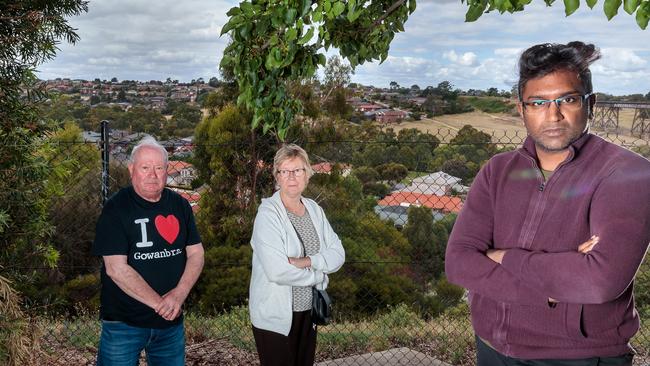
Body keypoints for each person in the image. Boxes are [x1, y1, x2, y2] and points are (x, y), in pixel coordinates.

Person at [445, 41, 650, 366]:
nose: (553, 115)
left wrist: (503, 257)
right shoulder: (497, 171)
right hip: (490, 349)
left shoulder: (629, 174)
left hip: (576, 357)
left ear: (590, 103)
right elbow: (458, 262)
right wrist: (554, 290)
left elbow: (599, 282)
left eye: (567, 99)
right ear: (521, 109)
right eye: (538, 102)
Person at [92, 136, 204, 365]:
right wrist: (159, 304)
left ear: (166, 171)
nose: (153, 174)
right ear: (132, 169)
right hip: (124, 324)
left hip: (170, 325)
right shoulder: (116, 209)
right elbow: (116, 269)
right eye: (145, 167)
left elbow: (196, 254)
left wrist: (178, 295)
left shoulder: (180, 205)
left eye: (159, 168)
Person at [249, 144, 345, 366]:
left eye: (298, 170)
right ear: (277, 176)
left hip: (307, 311)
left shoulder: (314, 209)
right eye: (285, 171)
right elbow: (277, 271)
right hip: (275, 317)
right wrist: (318, 277)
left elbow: (338, 253)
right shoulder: (268, 215)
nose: (292, 177)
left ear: (307, 174)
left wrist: (309, 261)